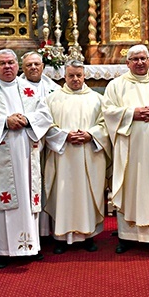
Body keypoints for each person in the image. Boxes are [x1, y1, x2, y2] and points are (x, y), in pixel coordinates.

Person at [0, 49, 53, 269]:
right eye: (2, 63)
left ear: (17, 66)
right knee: (4, 200)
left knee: (28, 198)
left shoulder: (30, 89)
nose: (7, 67)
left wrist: (26, 120)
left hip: (27, 151)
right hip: (0, 152)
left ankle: (32, 246)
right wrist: (5, 122)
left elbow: (45, 115)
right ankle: (3, 250)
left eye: (11, 63)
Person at [102, 45, 149, 253]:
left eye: (143, 58)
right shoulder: (116, 86)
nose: (139, 62)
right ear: (127, 63)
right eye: (134, 59)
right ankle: (126, 237)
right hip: (128, 150)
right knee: (129, 187)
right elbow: (108, 111)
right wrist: (131, 113)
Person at [44, 60, 110, 253]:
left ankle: (88, 235)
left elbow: (106, 125)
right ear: (64, 77)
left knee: (87, 194)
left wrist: (91, 135)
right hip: (62, 157)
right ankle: (61, 237)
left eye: (78, 75)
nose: (75, 79)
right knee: (62, 193)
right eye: (71, 76)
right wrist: (64, 136)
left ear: (84, 76)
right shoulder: (52, 99)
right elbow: (46, 126)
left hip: (89, 155)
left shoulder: (97, 99)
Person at [20, 51, 60, 242]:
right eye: (29, 65)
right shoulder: (16, 88)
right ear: (23, 67)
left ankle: (50, 228)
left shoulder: (54, 89)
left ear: (43, 66)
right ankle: (34, 231)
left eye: (37, 64)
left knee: (50, 183)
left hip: (52, 144)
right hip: (28, 145)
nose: (34, 68)